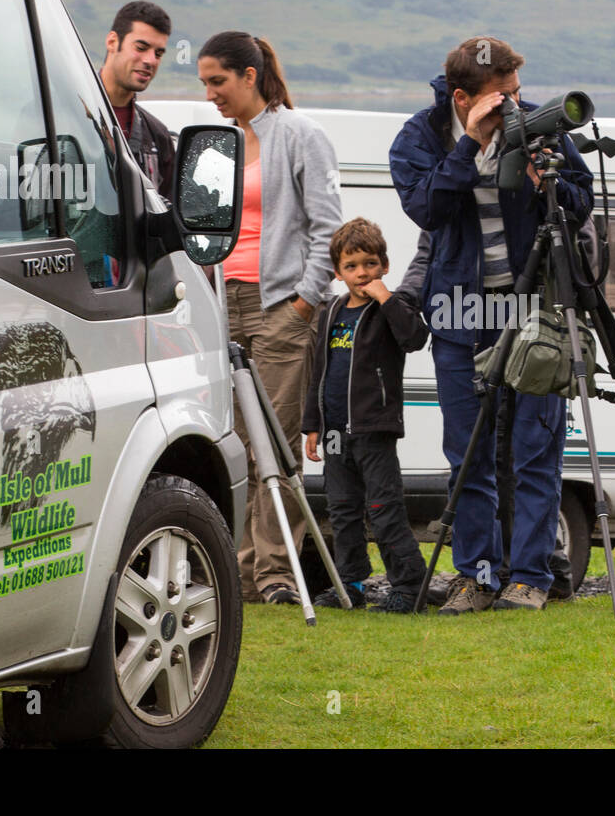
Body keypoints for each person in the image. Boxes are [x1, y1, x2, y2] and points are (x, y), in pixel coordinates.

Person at [390, 36, 593, 614]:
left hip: (533, 311)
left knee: (535, 447)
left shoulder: (537, 125)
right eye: (500, 97)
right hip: (460, 316)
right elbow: (424, 208)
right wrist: (472, 146)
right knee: (467, 452)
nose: (512, 105)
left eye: (517, 93)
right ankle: (476, 574)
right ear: (461, 97)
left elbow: (582, 199)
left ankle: (529, 574)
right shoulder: (420, 136)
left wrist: (540, 179)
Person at [197, 31, 343, 604]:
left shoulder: (302, 135)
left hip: (278, 305)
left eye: (219, 81)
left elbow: (326, 224)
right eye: (205, 82)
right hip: (220, 304)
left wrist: (304, 300)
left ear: (250, 76)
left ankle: (276, 572)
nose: (211, 94)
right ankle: (238, 567)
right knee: (230, 443)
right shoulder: (218, 143)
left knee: (275, 446)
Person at [303, 218, 429, 613]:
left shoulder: (391, 309)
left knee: (384, 509)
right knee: (342, 510)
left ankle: (409, 588)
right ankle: (350, 584)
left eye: (370, 264)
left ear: (385, 266)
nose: (362, 273)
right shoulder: (331, 312)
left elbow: (415, 337)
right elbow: (319, 371)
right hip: (336, 432)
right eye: (352, 266)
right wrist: (312, 425)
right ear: (338, 272)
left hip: (375, 428)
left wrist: (386, 298)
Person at [99, 0, 175, 198]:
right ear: (112, 42)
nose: (150, 60)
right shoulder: (62, 116)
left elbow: (168, 217)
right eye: (141, 48)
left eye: (158, 53)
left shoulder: (158, 136)